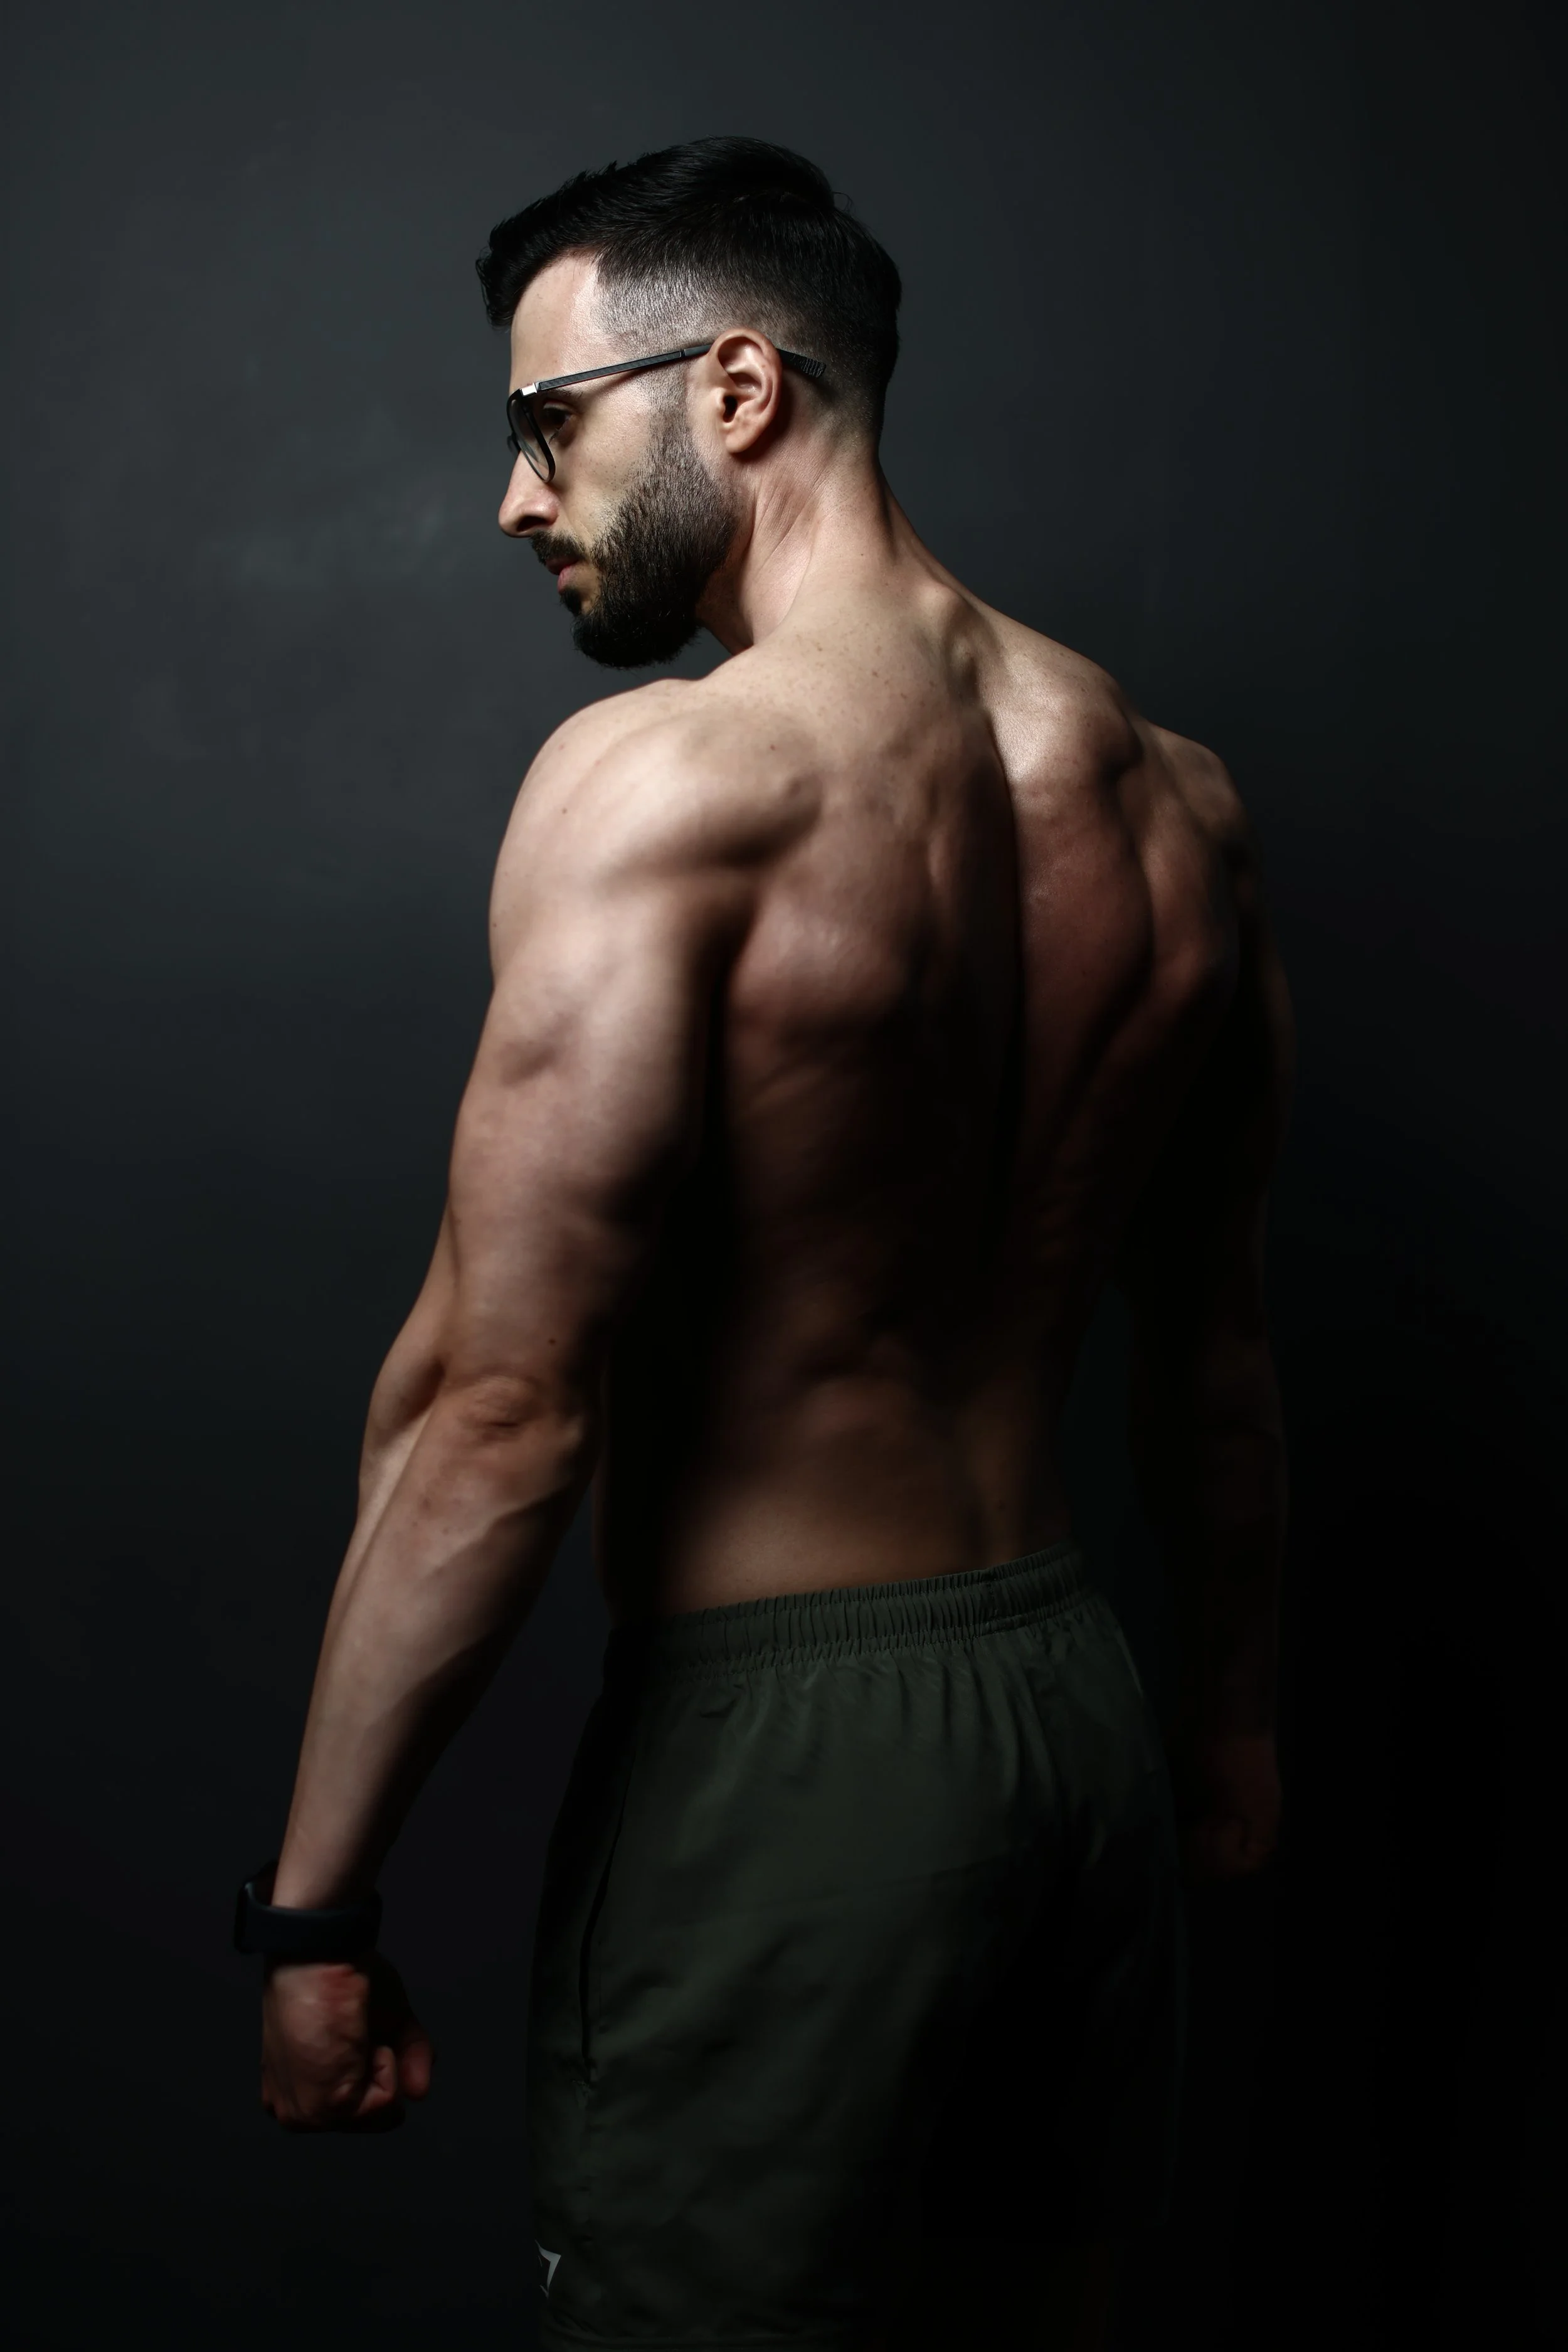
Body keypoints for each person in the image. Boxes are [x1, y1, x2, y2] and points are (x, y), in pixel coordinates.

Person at [244, 137, 1293, 2351]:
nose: (516, 500)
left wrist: (310, 1908)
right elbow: (1212, 1354)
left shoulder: (673, 787)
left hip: (795, 1763)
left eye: (547, 424)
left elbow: (499, 1406)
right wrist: (1222, 1724)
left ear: (734, 388)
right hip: (1076, 1718)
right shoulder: (1178, 808)